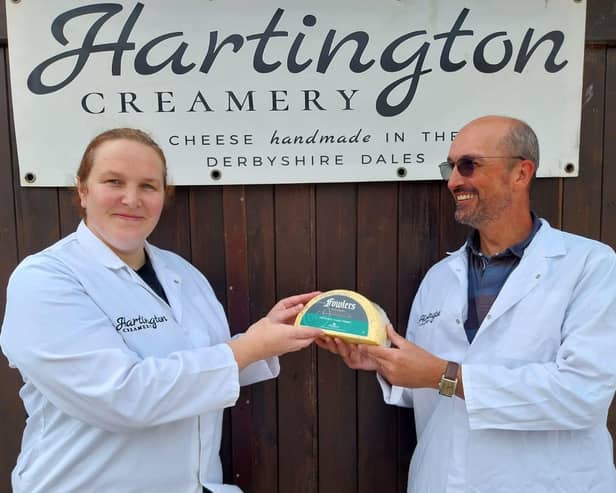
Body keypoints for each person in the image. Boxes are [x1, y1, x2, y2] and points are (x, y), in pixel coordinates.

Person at [0, 128, 322, 493]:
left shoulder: (181, 273)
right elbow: (122, 398)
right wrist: (252, 347)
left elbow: (203, 362)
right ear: (83, 190)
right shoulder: (46, 279)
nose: (132, 199)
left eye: (148, 186)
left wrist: (269, 336)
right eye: (114, 181)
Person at [318, 115, 616, 492]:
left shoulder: (589, 265)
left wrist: (445, 375)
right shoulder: (440, 277)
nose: (453, 180)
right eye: (451, 166)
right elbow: (428, 388)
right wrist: (381, 359)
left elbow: (582, 393)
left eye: (468, 165)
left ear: (521, 173)